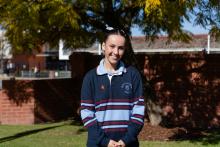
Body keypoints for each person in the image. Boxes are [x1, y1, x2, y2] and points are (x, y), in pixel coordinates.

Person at [80, 26, 145, 147]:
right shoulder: (90, 78)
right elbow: (87, 113)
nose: (116, 52)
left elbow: (139, 111)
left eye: (120, 48)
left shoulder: (133, 74)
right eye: (112, 46)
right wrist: (105, 141)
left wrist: (126, 140)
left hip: (128, 144)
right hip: (98, 143)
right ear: (103, 46)